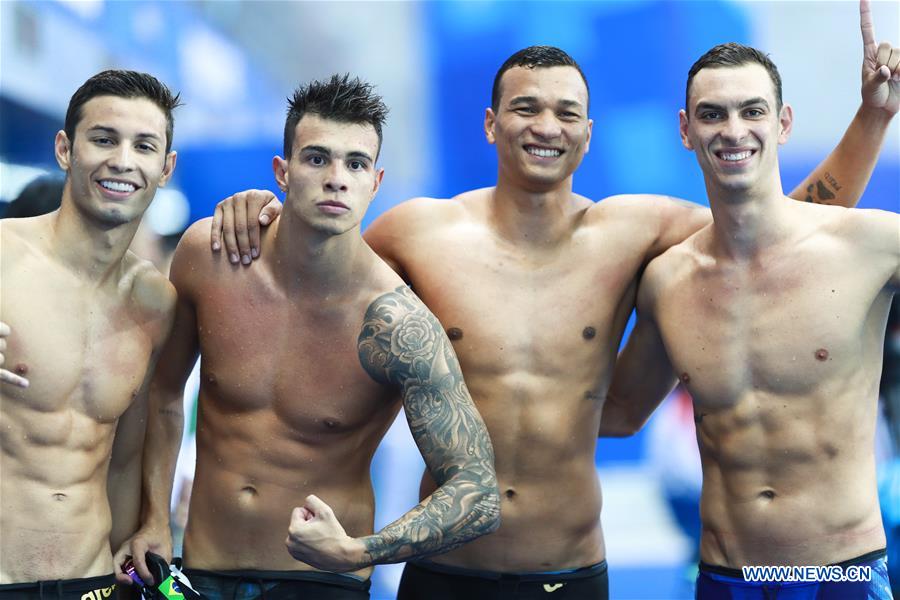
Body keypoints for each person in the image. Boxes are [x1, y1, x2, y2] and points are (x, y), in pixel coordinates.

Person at [214, 4, 898, 597]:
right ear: (490, 123)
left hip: (568, 569)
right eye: (525, 108)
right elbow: (315, 267)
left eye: (566, 111)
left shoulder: (636, 231)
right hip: (445, 567)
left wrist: (871, 118)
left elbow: (779, 225)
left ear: (588, 132)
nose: (547, 125)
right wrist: (261, 207)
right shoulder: (418, 231)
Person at [116, 74, 500, 600]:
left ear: (375, 181)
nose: (337, 178)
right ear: (283, 171)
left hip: (321, 584)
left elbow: (478, 492)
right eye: (317, 158)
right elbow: (160, 395)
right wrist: (153, 518)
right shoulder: (210, 256)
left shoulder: (397, 325)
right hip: (201, 570)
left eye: (356, 164)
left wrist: (361, 550)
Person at [603, 34, 899, 597]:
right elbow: (618, 413)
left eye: (752, 111)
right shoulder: (668, 280)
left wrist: (877, 116)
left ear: (783, 123)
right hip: (725, 577)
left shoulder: (874, 244)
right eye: (712, 115)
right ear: (686, 130)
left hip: (842, 575)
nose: (733, 131)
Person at [0, 70, 180, 600]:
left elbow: (124, 457)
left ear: (165, 168)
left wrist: (143, 535)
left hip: (93, 581)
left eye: (143, 146)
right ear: (65, 149)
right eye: (104, 139)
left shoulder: (156, 302)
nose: (122, 160)